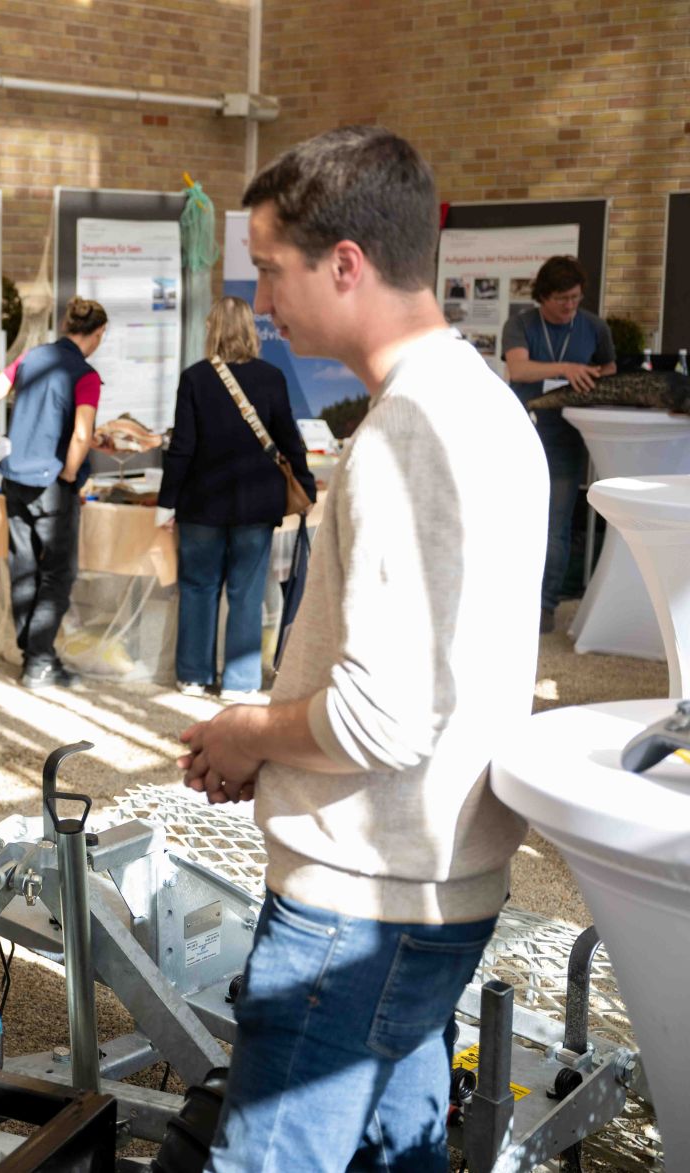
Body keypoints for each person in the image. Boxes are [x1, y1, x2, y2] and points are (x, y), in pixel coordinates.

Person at [177, 127, 547, 1172]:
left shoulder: (404, 438)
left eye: (269, 268)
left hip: (358, 904)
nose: (261, 297)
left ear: (344, 263)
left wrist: (246, 729)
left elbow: (377, 718)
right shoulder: (480, 405)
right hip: (426, 880)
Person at [159, 296, 314, 700]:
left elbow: (182, 447)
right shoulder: (272, 377)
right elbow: (288, 439)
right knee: (246, 592)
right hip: (255, 505)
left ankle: (193, 675)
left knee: (198, 587)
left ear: (212, 329)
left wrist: (166, 500)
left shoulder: (194, 378)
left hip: (201, 505)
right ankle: (241, 683)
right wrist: (305, 484)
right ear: (249, 330)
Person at [0, 296, 109, 689]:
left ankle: (33, 653)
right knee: (59, 574)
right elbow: (82, 434)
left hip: (15, 479)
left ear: (65, 325)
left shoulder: (30, 358)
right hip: (52, 484)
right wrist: (70, 475)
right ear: (97, 334)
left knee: (24, 568)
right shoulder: (86, 375)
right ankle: (39, 661)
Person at [501, 255, 615, 633]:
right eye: (563, 299)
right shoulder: (520, 325)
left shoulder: (595, 327)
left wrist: (593, 377)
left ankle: (545, 607)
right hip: (522, 431)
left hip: (567, 438)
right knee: (512, 517)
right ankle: (507, 596)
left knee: (557, 524)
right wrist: (566, 369)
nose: (570, 306)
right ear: (543, 297)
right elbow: (518, 369)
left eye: (576, 298)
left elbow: (609, 371)